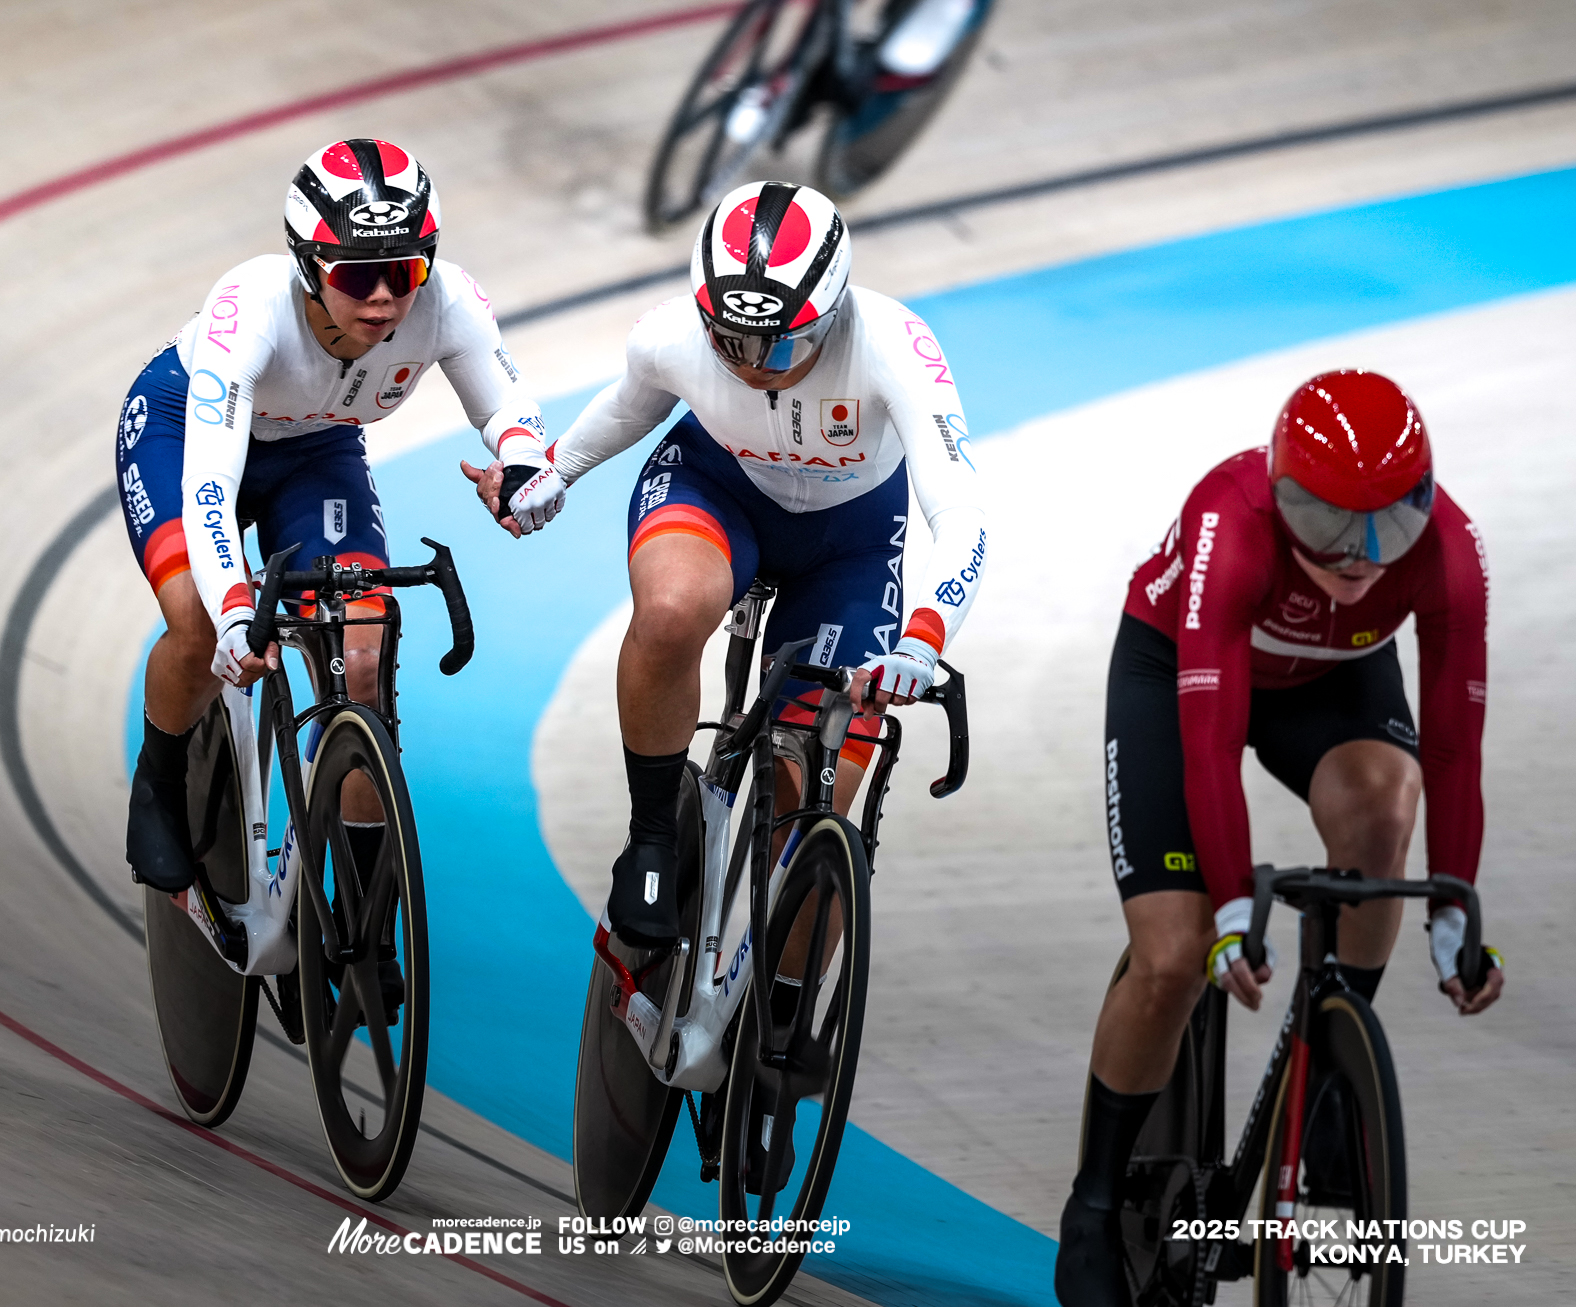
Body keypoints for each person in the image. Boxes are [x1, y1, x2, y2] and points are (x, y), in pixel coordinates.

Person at [1055, 371, 1505, 1306]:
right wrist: (1228, 909)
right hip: (1180, 669)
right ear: (1281, 487)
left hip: (1334, 679)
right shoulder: (1232, 525)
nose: (1361, 554)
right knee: (1175, 956)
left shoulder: (1452, 551)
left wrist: (1456, 912)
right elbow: (1210, 745)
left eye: (1393, 522)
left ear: (1427, 501)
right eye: (1330, 522)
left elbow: (1457, 748)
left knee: (1386, 807)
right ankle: (1095, 1198)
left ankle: (1336, 1066)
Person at [464, 180, 989, 949]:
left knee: (816, 803)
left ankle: (778, 1004)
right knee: (673, 609)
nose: (750, 365)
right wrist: (550, 474)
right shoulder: (670, 334)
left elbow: (962, 510)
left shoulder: (894, 345)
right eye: (729, 341)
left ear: (832, 311)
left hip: (851, 540)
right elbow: (628, 408)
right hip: (717, 490)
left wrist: (924, 637)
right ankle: (650, 838)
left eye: (778, 344)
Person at [120, 137, 549, 894]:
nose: (384, 297)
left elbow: (506, 405)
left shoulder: (447, 301)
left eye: (405, 269)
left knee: (364, 647)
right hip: (183, 430)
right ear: (309, 264)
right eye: (357, 275)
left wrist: (520, 459)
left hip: (314, 448)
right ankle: (158, 780)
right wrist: (231, 609)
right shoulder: (249, 308)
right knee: (194, 621)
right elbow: (210, 487)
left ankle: (363, 911)